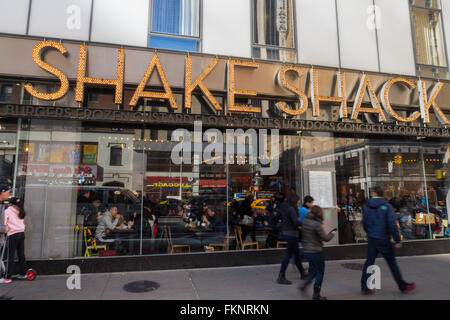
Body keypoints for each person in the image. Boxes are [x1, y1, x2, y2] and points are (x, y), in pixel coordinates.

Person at [360, 186, 415, 295]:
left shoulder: (367, 206)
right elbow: (392, 225)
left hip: (372, 238)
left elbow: (364, 222)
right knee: (391, 262)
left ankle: (365, 287)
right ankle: (402, 285)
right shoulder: (387, 206)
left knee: (369, 262)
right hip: (383, 238)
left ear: (374, 193)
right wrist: (397, 240)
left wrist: (370, 232)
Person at [299, 206, 336, 300]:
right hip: (316, 251)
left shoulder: (305, 221)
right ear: (319, 213)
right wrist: (332, 233)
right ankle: (316, 295)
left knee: (313, 271)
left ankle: (303, 286)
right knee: (320, 272)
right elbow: (326, 238)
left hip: (307, 250)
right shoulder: (316, 224)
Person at [276, 194, 307, 285]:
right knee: (288, 255)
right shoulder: (292, 209)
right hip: (292, 234)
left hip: (288, 233)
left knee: (296, 255)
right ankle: (281, 276)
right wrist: (304, 222)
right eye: (298, 200)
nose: (299, 202)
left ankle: (302, 273)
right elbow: (296, 222)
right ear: (294, 201)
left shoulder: (286, 208)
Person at [4, 197, 28, 280]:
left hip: (12, 234)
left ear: (10, 204)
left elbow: (3, 222)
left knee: (10, 256)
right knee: (21, 255)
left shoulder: (7, 211)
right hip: (21, 233)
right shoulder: (21, 210)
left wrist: (6, 228)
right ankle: (23, 273)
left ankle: (7, 277)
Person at [0, 185, 12, 284]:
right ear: (2, 192)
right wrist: (4, 228)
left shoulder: (3, 205)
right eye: (7, 192)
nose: (8, 194)